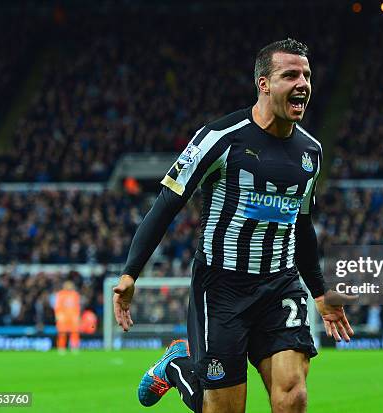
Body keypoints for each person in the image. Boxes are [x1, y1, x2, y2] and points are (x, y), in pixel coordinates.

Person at [113, 38, 354, 413]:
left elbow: (301, 225)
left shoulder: (310, 152)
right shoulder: (220, 138)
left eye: (307, 74)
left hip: (279, 284)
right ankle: (178, 365)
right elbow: (166, 205)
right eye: (290, 75)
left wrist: (321, 295)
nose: (303, 83)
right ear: (264, 84)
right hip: (221, 287)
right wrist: (130, 273)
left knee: (293, 397)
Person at [54, 280, 81, 353]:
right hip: (63, 317)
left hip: (73, 317)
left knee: (75, 332)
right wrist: (58, 315)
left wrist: (78, 315)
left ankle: (74, 347)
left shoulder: (75, 294)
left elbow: (77, 306)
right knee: (62, 333)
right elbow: (57, 306)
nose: (69, 287)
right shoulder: (60, 294)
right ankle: (61, 348)